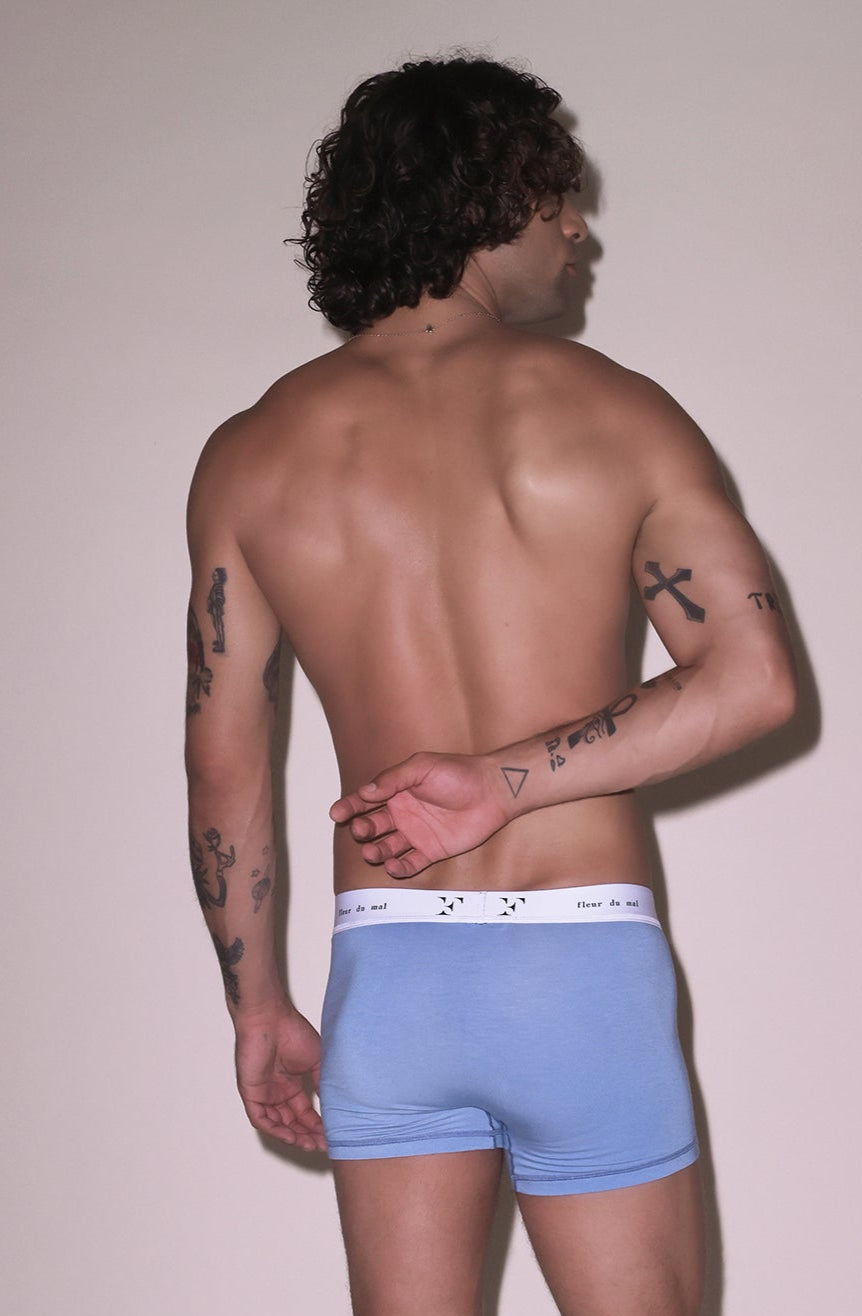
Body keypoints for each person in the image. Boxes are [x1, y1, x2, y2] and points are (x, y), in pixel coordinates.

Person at [184, 55, 797, 1316]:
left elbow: (221, 758)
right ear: (483, 201)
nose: (577, 231)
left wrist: (257, 1005)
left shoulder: (251, 453)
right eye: (556, 197)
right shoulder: (620, 414)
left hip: (388, 976)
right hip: (579, 967)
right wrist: (507, 780)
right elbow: (753, 681)